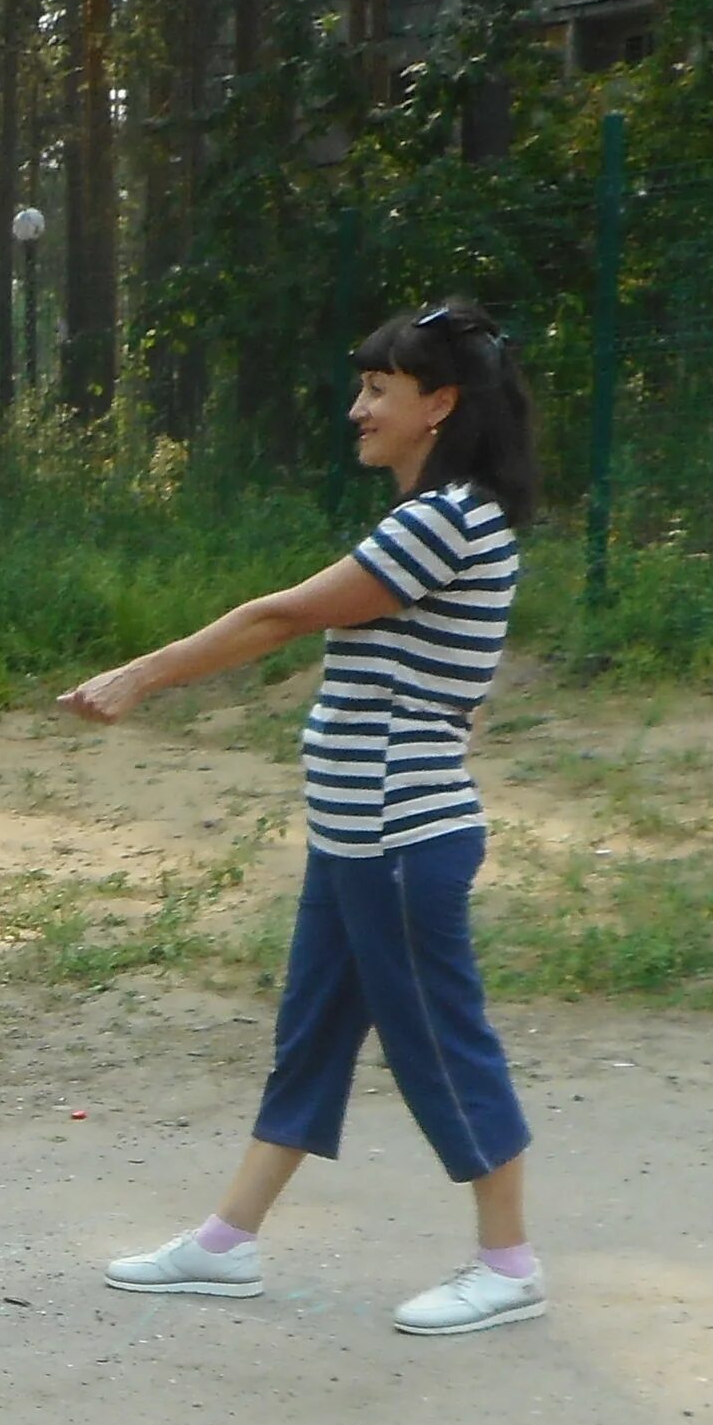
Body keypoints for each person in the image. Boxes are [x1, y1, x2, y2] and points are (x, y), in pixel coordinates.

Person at [60, 300, 544, 1336]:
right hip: (357, 834)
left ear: (440, 405)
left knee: (441, 1044)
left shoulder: (444, 520)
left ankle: (508, 1261)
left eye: (380, 390)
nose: (357, 408)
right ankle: (225, 1245)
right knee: (313, 1039)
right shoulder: (443, 518)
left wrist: (138, 677)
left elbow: (277, 618)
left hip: (400, 838)